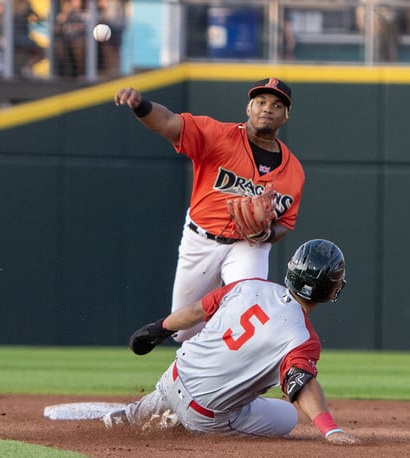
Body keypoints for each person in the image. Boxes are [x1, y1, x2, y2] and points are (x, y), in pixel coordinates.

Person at [104, 239, 360, 445]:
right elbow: (300, 384)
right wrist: (330, 430)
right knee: (287, 416)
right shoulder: (303, 338)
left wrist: (157, 329)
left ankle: (136, 415)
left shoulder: (249, 286)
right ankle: (182, 423)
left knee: (168, 398)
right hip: (204, 417)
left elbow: (195, 311)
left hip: (172, 378)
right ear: (329, 288)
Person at [114, 78, 305, 343]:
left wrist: (266, 235)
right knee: (184, 332)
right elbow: (168, 123)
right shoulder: (216, 135)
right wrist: (139, 105)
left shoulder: (293, 171)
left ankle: (242, 375)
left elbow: (286, 223)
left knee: (247, 309)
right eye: (260, 102)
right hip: (200, 239)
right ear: (248, 108)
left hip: (248, 246)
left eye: (276, 104)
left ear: (286, 115)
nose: (267, 108)